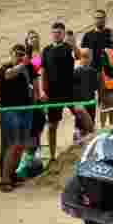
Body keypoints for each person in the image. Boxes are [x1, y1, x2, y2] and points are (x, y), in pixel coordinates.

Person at [40, 22, 90, 167]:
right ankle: (52, 156)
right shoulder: (46, 50)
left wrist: (74, 44)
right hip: (53, 92)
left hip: (70, 90)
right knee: (52, 125)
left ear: (63, 33)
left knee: (81, 112)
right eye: (54, 32)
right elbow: (43, 71)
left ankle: (90, 140)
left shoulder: (68, 47)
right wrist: (43, 91)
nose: (57, 34)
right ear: (52, 34)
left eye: (59, 32)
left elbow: (80, 56)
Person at [0, 44, 35, 192]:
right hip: (10, 110)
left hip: (26, 109)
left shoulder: (28, 68)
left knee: (21, 144)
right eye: (17, 54)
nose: (20, 56)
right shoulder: (6, 67)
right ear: (11, 54)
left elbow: (34, 83)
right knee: (11, 144)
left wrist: (34, 101)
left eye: (22, 54)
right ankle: (4, 179)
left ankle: (12, 174)